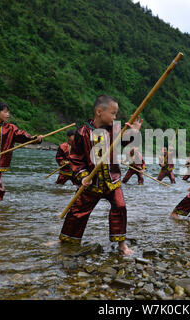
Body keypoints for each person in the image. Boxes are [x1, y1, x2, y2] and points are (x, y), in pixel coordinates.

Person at [59, 95, 142, 255]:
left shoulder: (116, 129)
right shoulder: (82, 133)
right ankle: (66, 240)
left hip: (113, 180)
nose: (115, 117)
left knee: (120, 207)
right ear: (99, 111)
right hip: (91, 182)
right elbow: (76, 157)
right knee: (77, 212)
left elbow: (126, 142)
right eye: (113, 113)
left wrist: (134, 132)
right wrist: (82, 175)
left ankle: (121, 245)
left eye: (116, 114)